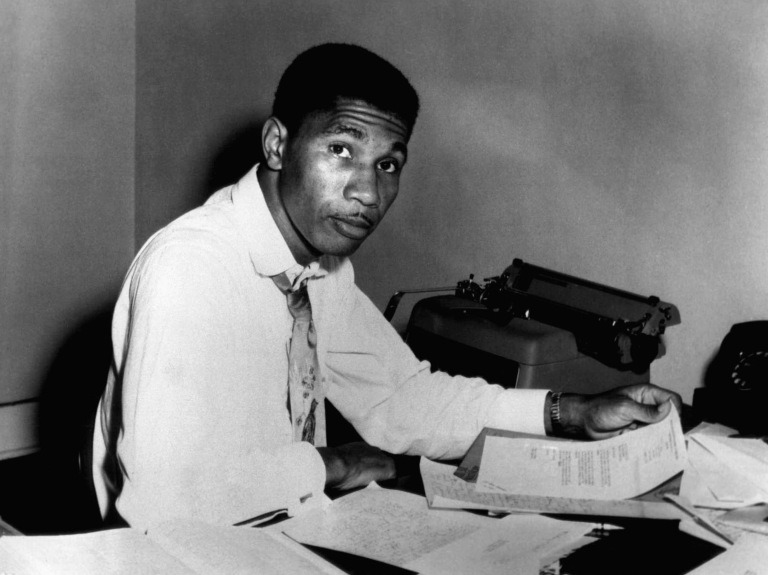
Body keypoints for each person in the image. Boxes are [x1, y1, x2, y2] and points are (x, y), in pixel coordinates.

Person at [92, 43, 682, 529]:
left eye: (388, 164)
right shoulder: (192, 266)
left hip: (284, 530)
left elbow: (400, 399)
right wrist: (333, 465)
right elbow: (164, 504)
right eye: (341, 150)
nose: (368, 193)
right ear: (277, 144)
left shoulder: (320, 270)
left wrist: (574, 412)